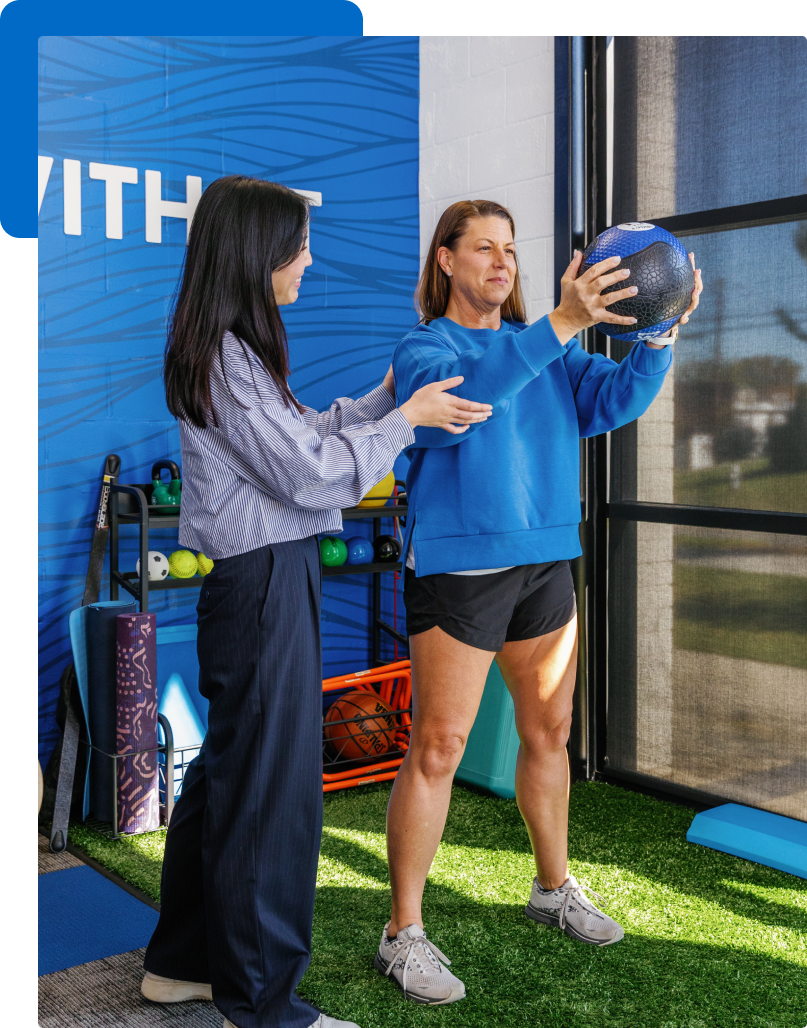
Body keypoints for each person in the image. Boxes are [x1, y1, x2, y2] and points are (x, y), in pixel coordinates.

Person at [139, 176, 493, 1028]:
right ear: (258, 254)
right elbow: (309, 472)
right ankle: (262, 1005)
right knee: (270, 794)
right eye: (298, 246)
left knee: (228, 779)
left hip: (262, 578)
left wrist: (385, 398)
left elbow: (307, 433)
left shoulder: (231, 351)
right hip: (261, 581)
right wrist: (406, 420)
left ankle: (180, 965)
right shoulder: (224, 355)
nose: (308, 260)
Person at [376, 199, 703, 1005]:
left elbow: (618, 401)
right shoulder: (425, 347)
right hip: (459, 569)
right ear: (445, 260)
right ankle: (401, 932)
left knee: (549, 730)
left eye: (510, 250)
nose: (500, 262)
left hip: (546, 559)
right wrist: (560, 321)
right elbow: (466, 406)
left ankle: (551, 887)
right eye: (482, 248)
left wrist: (657, 335)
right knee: (440, 747)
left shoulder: (551, 354)